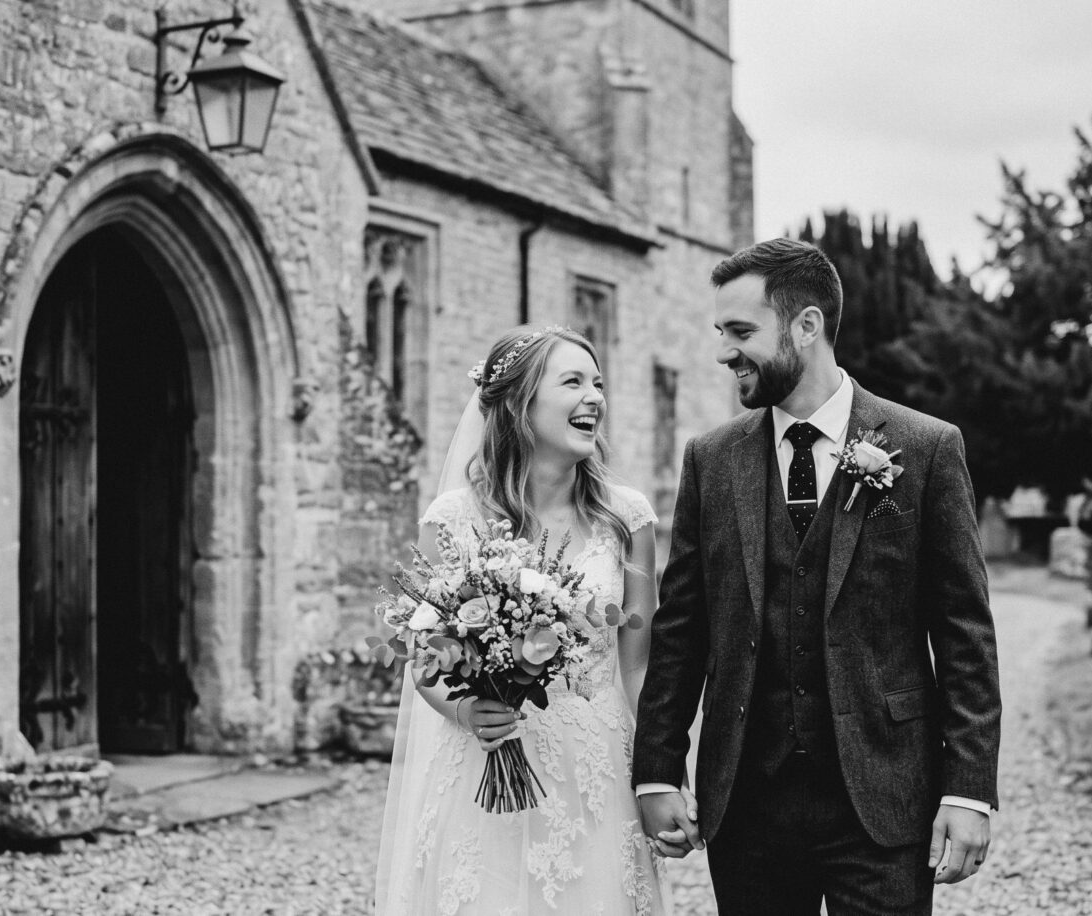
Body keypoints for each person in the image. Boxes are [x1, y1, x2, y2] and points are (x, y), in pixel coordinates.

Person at [632, 238, 1002, 915]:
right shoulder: (710, 462)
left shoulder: (925, 449)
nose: (722, 351)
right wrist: (656, 767)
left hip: (885, 793)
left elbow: (964, 633)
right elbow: (682, 626)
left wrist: (969, 787)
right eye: (720, 332)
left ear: (806, 326)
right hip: (747, 801)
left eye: (740, 331)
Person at [375, 325, 677, 915]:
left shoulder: (627, 519)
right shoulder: (452, 519)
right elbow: (427, 663)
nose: (595, 396)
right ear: (520, 404)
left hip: (595, 775)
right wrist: (466, 709)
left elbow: (640, 668)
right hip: (482, 771)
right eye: (573, 382)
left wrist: (661, 777)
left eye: (598, 382)